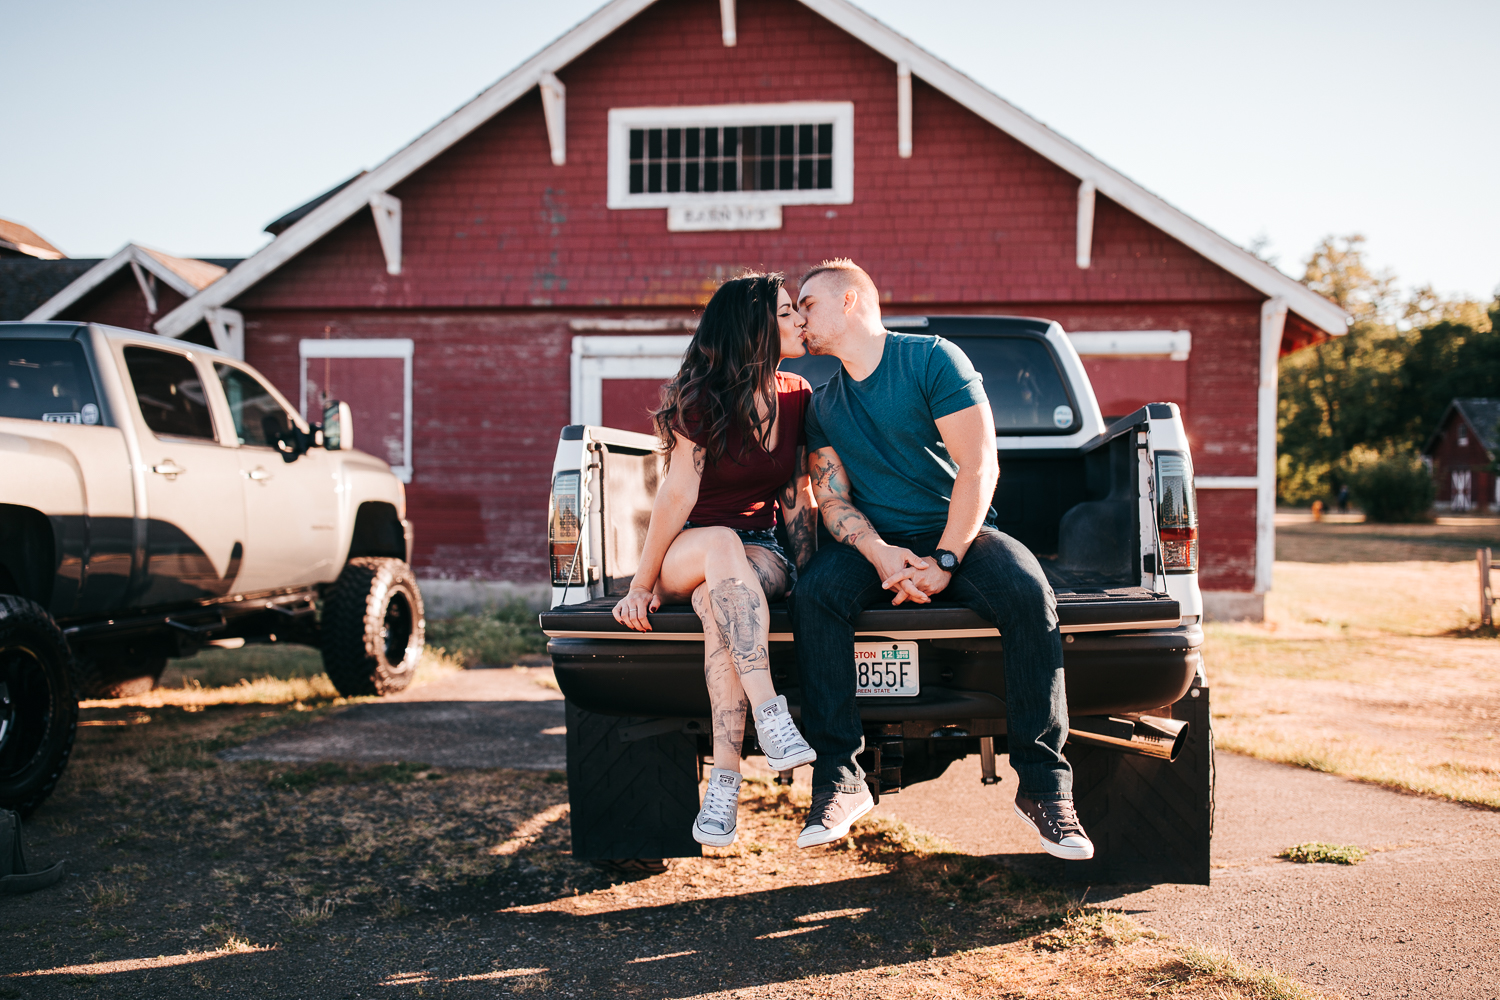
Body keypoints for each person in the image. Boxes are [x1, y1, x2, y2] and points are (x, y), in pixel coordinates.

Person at [788, 258, 1094, 860]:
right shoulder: (823, 404)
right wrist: (879, 555)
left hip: (962, 534)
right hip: (880, 545)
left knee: (1029, 593)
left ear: (850, 301)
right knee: (816, 594)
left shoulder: (932, 359)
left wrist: (946, 558)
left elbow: (980, 467)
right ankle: (840, 783)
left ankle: (1044, 789)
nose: (799, 318)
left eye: (808, 303)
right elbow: (832, 496)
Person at [612, 273, 819, 847]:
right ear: (754, 327)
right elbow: (677, 495)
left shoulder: (797, 393)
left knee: (717, 606)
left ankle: (724, 784)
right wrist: (640, 583)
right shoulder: (701, 399)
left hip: (761, 553)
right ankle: (771, 714)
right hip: (693, 547)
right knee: (720, 548)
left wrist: (811, 572)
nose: (799, 321)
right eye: (785, 313)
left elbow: (795, 496)